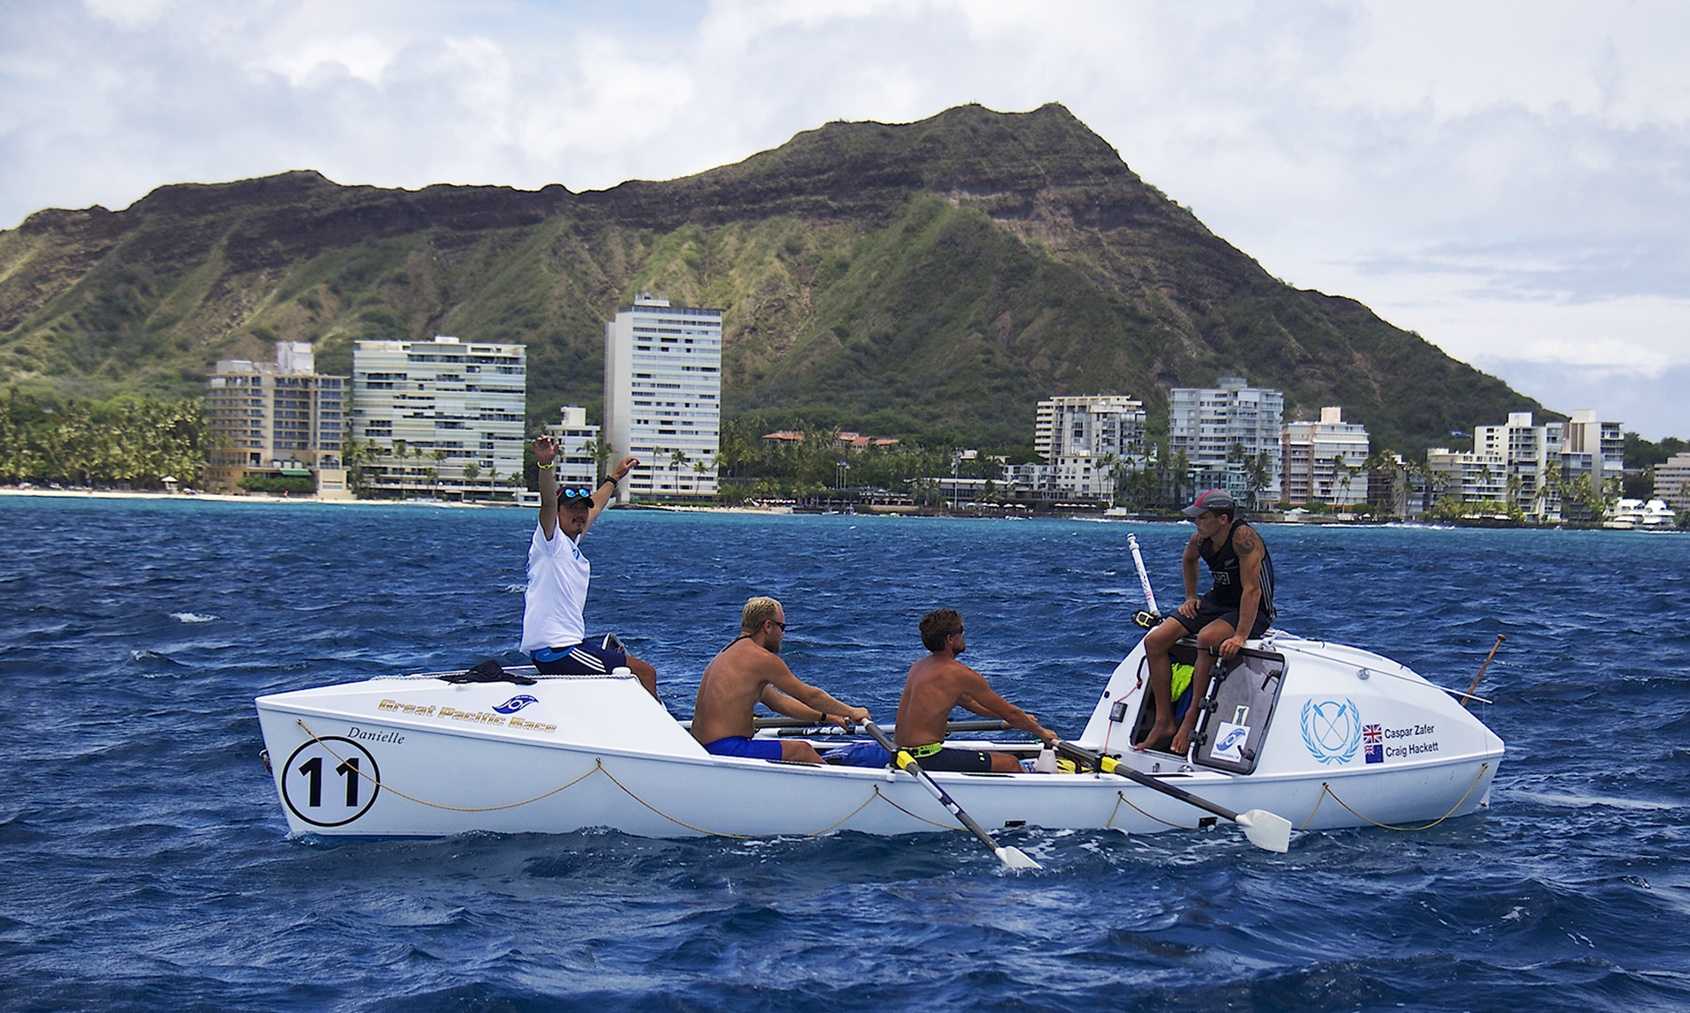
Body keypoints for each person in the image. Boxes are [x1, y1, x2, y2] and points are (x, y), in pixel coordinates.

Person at [1135, 489, 1276, 755]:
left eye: (1202, 517)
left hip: (1251, 610)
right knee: (1155, 640)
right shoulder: (1201, 538)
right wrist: (1190, 596)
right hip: (1216, 602)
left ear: (1223, 519)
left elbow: (1252, 591)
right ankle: (1164, 721)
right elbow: (1188, 560)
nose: (1196, 523)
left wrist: (1240, 636)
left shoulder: (1244, 539)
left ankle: (1189, 721)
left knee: (1207, 638)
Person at [519, 435, 658, 697]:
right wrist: (546, 465)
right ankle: (659, 732)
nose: (580, 514)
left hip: (568, 646)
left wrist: (615, 477)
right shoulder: (550, 542)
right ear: (558, 514)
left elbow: (597, 505)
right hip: (557, 651)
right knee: (644, 672)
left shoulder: (571, 543)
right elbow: (548, 502)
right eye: (572, 509)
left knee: (615, 653)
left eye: (582, 510)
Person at [691, 596, 871, 763]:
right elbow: (810, 696)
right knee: (802, 751)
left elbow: (779, 702)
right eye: (782, 627)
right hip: (724, 748)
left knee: (800, 749)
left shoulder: (728, 654)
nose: (782, 635)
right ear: (767, 626)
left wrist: (827, 717)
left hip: (702, 746)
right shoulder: (760, 657)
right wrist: (851, 711)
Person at [894, 609, 1059, 773]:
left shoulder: (918, 667)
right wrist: (1042, 732)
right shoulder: (958, 673)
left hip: (900, 755)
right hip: (927, 758)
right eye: (961, 631)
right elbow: (1012, 713)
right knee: (1009, 763)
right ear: (950, 639)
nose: (964, 636)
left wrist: (1014, 720)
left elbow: (970, 703)